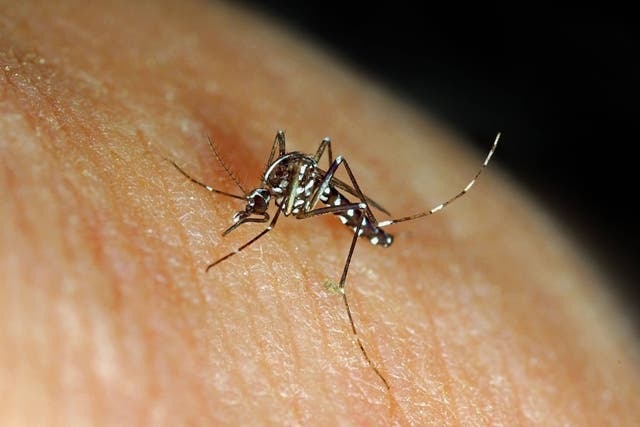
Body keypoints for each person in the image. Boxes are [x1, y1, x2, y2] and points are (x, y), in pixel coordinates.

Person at [1, 1, 638, 424]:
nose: (257, 207)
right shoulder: (270, 189)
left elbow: (298, 179)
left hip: (337, 197)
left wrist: (353, 208)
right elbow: (271, 190)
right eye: (255, 204)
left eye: (256, 204)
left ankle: (366, 239)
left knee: (326, 164)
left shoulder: (289, 194)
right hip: (306, 181)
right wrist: (251, 205)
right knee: (292, 161)